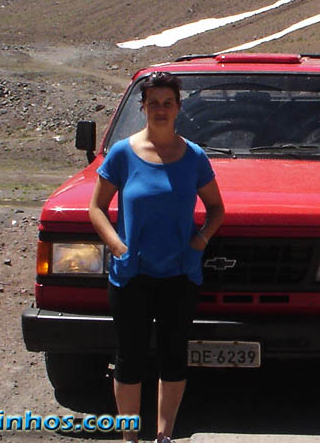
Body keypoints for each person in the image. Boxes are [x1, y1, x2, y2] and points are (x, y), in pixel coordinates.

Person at [88, 72, 225, 443]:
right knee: (130, 358)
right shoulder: (122, 154)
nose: (161, 110)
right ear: (143, 107)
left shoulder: (194, 157)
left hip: (179, 273)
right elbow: (96, 207)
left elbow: (216, 208)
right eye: (153, 103)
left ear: (179, 108)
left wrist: (200, 241)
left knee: (173, 356)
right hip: (131, 274)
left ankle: (164, 434)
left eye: (168, 103)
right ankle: (130, 437)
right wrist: (118, 247)